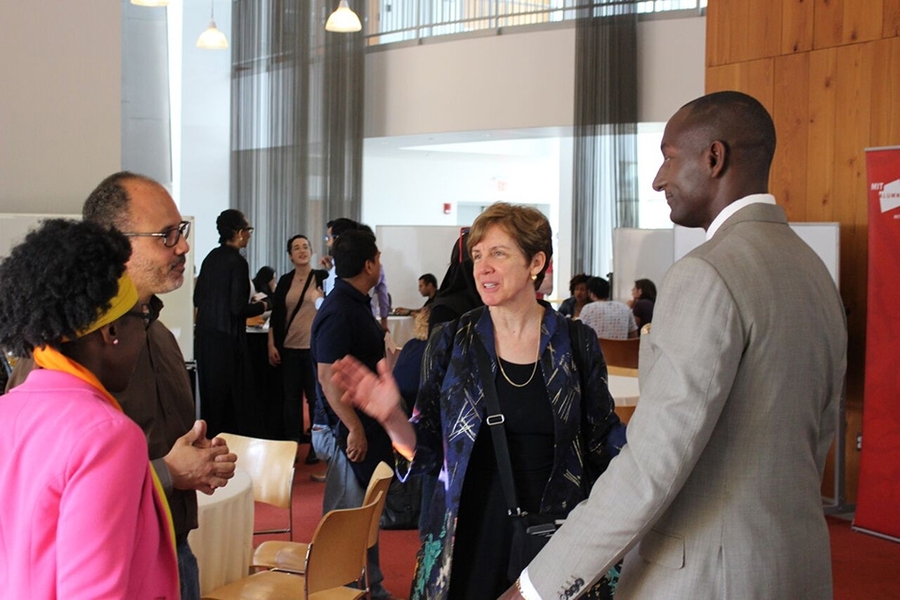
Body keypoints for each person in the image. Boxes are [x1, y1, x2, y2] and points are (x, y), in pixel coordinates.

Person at [499, 91, 848, 600]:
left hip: (708, 576)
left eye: (668, 157)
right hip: (795, 566)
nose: (658, 179)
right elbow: (813, 439)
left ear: (714, 158)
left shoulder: (705, 274)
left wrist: (538, 588)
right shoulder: (814, 273)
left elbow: (652, 464)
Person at [331, 202, 626, 600]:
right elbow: (428, 453)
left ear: (536, 262)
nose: (483, 267)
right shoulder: (452, 341)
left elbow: (601, 446)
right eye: (477, 255)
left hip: (554, 537)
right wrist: (392, 418)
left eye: (498, 253)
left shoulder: (575, 343)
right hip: (466, 539)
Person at [5, 172, 237, 600]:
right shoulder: (51, 359)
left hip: (169, 550)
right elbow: (36, 494)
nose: (183, 246)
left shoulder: (161, 337)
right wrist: (169, 472)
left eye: (181, 232)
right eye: (166, 235)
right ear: (113, 244)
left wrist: (194, 466)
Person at [0, 219, 179, 597]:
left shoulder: (7, 410)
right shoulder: (108, 437)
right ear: (110, 332)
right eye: (140, 320)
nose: (143, 335)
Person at [310, 229, 397, 600]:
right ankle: (341, 589)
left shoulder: (355, 302)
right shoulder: (339, 309)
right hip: (345, 429)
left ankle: (370, 586)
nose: (380, 264)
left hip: (363, 426)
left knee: (364, 515)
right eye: (377, 258)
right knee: (345, 521)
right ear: (368, 264)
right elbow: (327, 377)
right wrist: (354, 429)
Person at [194, 209, 268, 437]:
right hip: (228, 343)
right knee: (232, 403)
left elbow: (197, 298)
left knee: (210, 402)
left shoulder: (210, 258)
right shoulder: (237, 262)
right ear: (238, 233)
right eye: (248, 229)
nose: (249, 234)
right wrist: (263, 305)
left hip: (206, 341)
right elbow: (238, 308)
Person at [268, 234, 326, 463]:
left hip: (314, 348)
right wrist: (271, 343)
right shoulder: (284, 281)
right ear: (290, 255)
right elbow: (276, 315)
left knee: (315, 399)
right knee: (290, 399)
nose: (301, 250)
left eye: (305, 247)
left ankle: (315, 445)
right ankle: (291, 444)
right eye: (296, 248)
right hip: (289, 346)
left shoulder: (321, 278)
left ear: (311, 251)